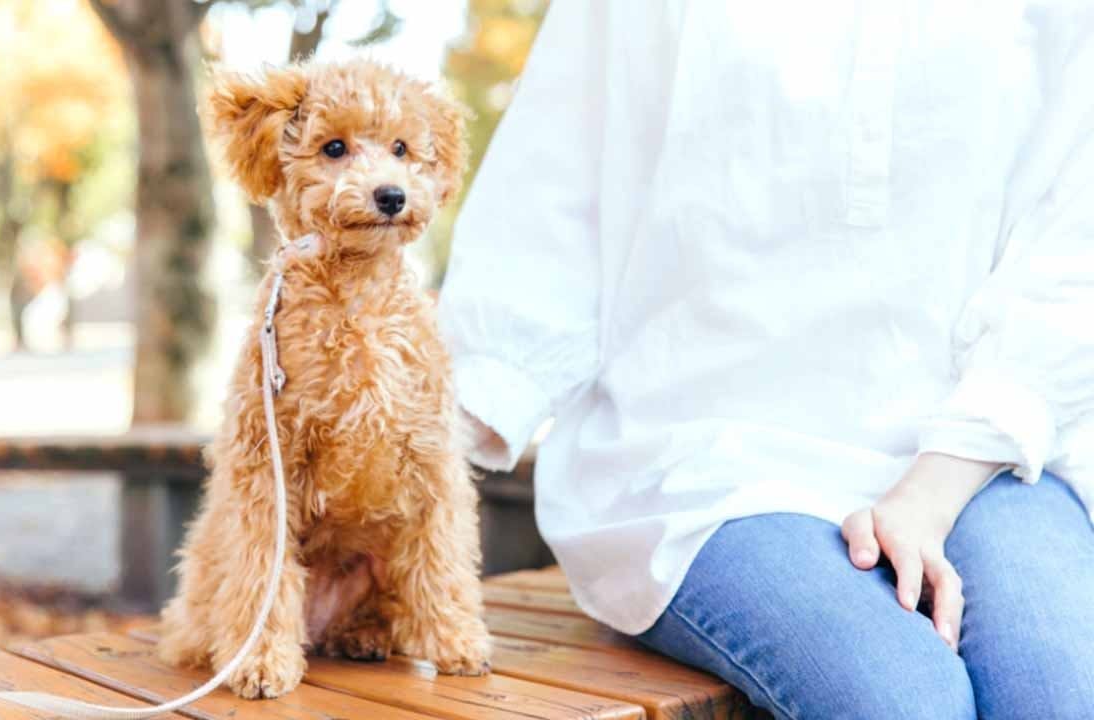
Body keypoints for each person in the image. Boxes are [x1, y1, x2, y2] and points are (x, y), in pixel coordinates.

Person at [438, 2, 1094, 718]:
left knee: (1061, 692)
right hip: (704, 466)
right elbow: (546, 219)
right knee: (902, 701)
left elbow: (1073, 247)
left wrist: (934, 487)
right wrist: (394, 491)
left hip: (994, 457)